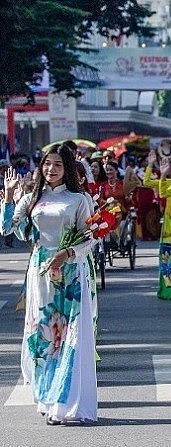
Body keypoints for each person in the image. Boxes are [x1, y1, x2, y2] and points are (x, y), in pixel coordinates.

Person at [2, 143, 98, 425]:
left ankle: (63, 401)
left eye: (57, 165)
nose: (51, 169)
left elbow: (89, 237)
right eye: (47, 164)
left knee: (68, 337)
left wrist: (67, 253)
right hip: (41, 271)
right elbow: (8, 229)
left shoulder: (79, 199)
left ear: (67, 168)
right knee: (42, 335)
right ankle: (46, 397)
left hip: (69, 273)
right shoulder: (33, 198)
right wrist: (9, 197)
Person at [143, 151, 171, 305]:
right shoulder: (168, 181)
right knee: (167, 260)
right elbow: (147, 182)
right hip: (169, 227)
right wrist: (152, 167)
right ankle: (168, 290)